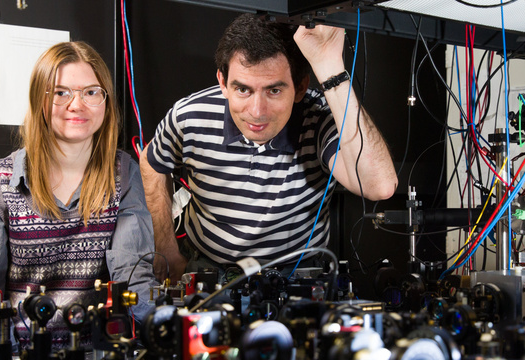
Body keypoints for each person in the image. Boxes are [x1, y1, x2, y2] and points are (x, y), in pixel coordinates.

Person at [140, 14, 398, 282]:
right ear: (222, 82)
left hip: (298, 276)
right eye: (243, 89)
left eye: (274, 91)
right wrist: (166, 246)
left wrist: (330, 67)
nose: (256, 111)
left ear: (300, 88)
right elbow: (151, 161)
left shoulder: (319, 119)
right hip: (208, 269)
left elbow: (379, 186)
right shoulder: (189, 116)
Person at [0, 41, 156, 351]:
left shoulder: (124, 174)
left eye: (91, 92)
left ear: (105, 101)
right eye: (61, 93)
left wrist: (169, 325)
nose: (77, 105)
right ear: (40, 100)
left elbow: (134, 281)